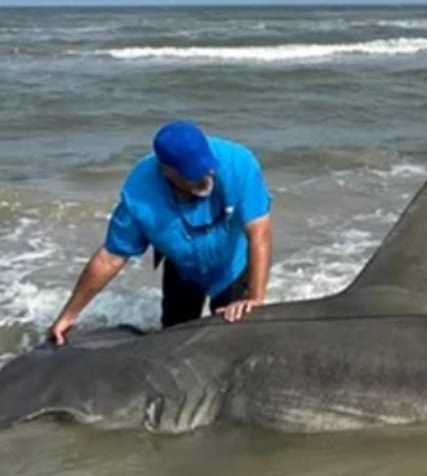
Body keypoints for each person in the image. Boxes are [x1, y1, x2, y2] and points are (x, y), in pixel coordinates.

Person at [48, 121, 272, 344]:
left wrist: (255, 298)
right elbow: (110, 258)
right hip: (182, 267)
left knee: (232, 340)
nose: (205, 177)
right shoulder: (140, 193)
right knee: (173, 340)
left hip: (231, 266)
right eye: (192, 174)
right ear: (167, 171)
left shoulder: (238, 163)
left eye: (206, 167)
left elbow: (259, 232)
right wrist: (69, 315)